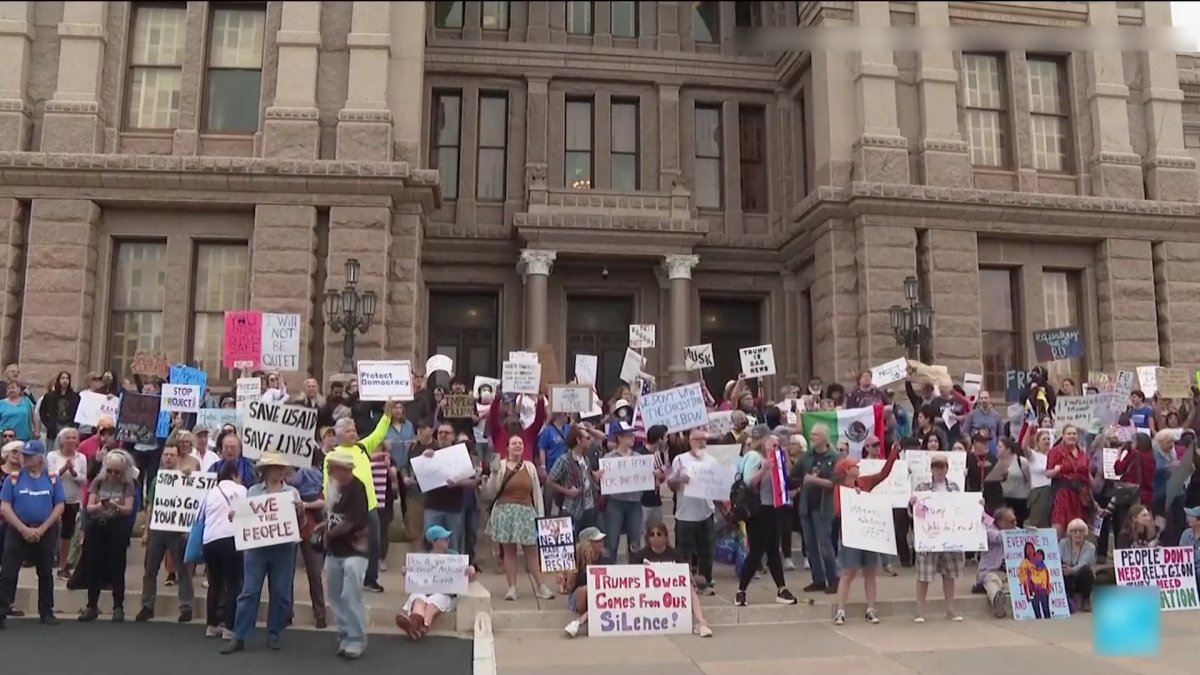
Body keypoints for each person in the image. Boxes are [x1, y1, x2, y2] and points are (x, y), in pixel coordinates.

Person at [223, 452, 304, 654]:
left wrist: (300, 510)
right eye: (273, 467)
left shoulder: (292, 493)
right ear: (265, 471)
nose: (277, 471)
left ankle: (274, 634)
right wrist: (236, 515)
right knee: (249, 592)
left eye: (280, 467)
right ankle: (239, 636)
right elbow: (245, 519)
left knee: (281, 594)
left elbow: (300, 525)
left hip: (284, 549)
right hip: (257, 549)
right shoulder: (253, 492)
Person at [325, 402, 394, 594]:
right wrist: (329, 506)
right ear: (339, 435)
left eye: (354, 430)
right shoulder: (333, 456)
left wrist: (387, 415)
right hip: (345, 509)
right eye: (348, 431)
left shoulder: (363, 447)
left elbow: (379, 433)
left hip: (369, 505)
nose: (354, 434)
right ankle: (343, 577)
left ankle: (370, 579)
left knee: (374, 542)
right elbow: (327, 482)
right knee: (345, 543)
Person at [830, 442, 900, 625]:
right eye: (855, 465)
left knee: (870, 572)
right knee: (848, 572)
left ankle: (871, 609)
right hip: (851, 535)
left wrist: (893, 454)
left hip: (868, 534)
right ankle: (840, 610)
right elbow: (838, 511)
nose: (858, 467)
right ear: (847, 470)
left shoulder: (865, 481)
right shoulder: (839, 489)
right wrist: (855, 496)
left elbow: (883, 474)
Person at [0, 440, 64, 628]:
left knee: (45, 571)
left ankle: (46, 611)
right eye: (23, 455)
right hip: (18, 530)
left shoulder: (52, 478)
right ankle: (2, 611)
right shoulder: (14, 478)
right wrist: (23, 528)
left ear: (39, 458)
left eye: (29, 456)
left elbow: (59, 505)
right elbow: (5, 506)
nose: (24, 458)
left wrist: (43, 528)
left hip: (45, 530)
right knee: (8, 572)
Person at [483, 435, 554, 601]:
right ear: (507, 448)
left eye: (520, 443)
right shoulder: (499, 466)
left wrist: (540, 516)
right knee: (509, 552)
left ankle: (541, 586)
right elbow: (490, 492)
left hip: (527, 512)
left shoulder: (530, 467)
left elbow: (536, 492)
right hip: (505, 512)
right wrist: (493, 474)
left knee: (532, 552)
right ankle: (512, 588)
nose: (517, 446)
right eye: (514, 443)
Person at [734, 432, 798, 607]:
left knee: (773, 552)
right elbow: (748, 482)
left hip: (774, 509)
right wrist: (764, 469)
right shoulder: (755, 457)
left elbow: (784, 484)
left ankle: (781, 589)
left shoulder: (778, 461)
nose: (776, 448)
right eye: (773, 445)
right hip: (758, 510)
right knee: (756, 552)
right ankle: (741, 591)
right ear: (764, 443)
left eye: (778, 446)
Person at [321, 449, 370, 658]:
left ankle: (356, 638)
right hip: (335, 550)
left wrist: (328, 535)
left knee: (350, 595)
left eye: (333, 468)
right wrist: (323, 526)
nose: (330, 471)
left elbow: (352, 520)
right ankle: (344, 634)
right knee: (335, 595)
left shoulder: (357, 488)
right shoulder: (334, 487)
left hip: (355, 549)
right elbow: (335, 516)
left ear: (344, 469)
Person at [137, 445, 194, 623]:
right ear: (162, 457)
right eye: (166, 455)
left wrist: (187, 529)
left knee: (183, 570)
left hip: (177, 531)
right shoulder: (156, 480)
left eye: (172, 455)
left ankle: (186, 607)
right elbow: (150, 506)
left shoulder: (185, 477)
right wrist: (146, 531)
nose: (169, 458)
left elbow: (191, 505)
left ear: (178, 457)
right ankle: (147, 605)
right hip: (157, 529)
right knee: (150, 570)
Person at [78, 450, 136, 622]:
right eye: (110, 471)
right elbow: (90, 506)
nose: (113, 475)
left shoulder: (128, 484)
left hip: (117, 526)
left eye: (117, 472)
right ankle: (92, 606)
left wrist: (115, 506)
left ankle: (118, 606)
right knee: (94, 566)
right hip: (97, 525)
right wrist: (101, 506)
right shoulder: (98, 481)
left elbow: (128, 509)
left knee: (118, 567)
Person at [629, 520, 713, 637]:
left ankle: (701, 622)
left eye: (659, 534)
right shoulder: (641, 555)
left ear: (665, 537)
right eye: (652, 534)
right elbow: (631, 576)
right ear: (648, 538)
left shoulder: (674, 554)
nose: (656, 537)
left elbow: (684, 570)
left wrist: (691, 580)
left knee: (690, 591)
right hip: (648, 594)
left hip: (671, 594)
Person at [394, 525, 477, 641]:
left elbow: (467, 577)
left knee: (433, 604)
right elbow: (413, 576)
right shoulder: (421, 557)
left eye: (447, 538)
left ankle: (416, 626)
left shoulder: (453, 555)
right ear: (433, 542)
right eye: (443, 539)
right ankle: (417, 626)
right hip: (423, 589)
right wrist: (406, 572)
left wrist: (471, 571)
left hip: (443, 592)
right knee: (418, 600)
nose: (447, 541)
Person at [910, 453, 965, 623]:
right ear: (931, 469)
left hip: (949, 536)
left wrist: (977, 505)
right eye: (936, 467)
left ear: (947, 468)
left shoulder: (954, 488)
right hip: (929, 537)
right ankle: (920, 611)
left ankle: (950, 610)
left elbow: (962, 510)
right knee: (924, 575)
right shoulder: (922, 488)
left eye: (942, 467)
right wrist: (912, 504)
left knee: (950, 575)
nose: (939, 470)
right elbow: (913, 515)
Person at [666, 427, 718, 595]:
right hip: (685, 513)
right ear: (690, 441)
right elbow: (671, 485)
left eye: (704, 439)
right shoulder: (680, 460)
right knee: (683, 551)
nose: (702, 442)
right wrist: (679, 479)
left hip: (706, 511)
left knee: (706, 550)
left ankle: (705, 582)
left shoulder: (712, 460)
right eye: (698, 439)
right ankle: (682, 583)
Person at [790, 423, 838, 593]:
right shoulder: (807, 457)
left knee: (825, 544)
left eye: (816, 435)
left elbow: (833, 483)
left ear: (825, 437)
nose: (812, 438)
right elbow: (794, 475)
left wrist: (812, 480)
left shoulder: (833, 457)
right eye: (811, 435)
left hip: (823, 507)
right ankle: (817, 579)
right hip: (806, 506)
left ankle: (833, 579)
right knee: (810, 545)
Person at [201, 462, 247, 640]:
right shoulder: (241, 490)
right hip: (230, 538)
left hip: (210, 540)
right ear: (234, 475)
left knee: (215, 583)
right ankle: (229, 626)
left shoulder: (210, 492)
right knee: (233, 583)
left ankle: (212, 624)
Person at [599, 422, 644, 561]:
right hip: (615, 502)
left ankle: (635, 575)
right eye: (628, 435)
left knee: (635, 542)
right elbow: (603, 481)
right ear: (620, 438)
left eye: (632, 435)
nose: (632, 438)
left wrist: (651, 475)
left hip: (635, 502)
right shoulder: (609, 458)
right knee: (611, 541)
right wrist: (600, 476)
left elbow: (644, 478)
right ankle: (610, 574)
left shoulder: (639, 458)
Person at [46, 428, 86, 579]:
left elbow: (83, 480)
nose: (71, 440)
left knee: (67, 534)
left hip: (72, 500)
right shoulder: (52, 456)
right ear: (61, 440)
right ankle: (46, 564)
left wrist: (74, 472)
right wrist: (64, 469)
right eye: (67, 437)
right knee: (50, 532)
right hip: (53, 500)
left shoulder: (81, 458)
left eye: (73, 437)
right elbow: (50, 476)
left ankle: (63, 567)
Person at [562, 526, 611, 638]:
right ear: (588, 543)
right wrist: (573, 573)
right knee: (587, 590)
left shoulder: (606, 558)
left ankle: (580, 621)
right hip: (578, 596)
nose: (601, 543)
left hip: (600, 596)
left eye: (601, 541)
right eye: (597, 541)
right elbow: (569, 588)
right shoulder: (577, 560)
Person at [1046, 424, 1092, 540]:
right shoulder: (1056, 451)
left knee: (1078, 527)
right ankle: (1054, 553)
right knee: (1059, 524)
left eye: (1074, 434)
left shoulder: (1082, 453)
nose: (1072, 436)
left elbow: (1087, 473)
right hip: (1062, 492)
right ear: (1063, 436)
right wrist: (1057, 469)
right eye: (1069, 434)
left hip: (1079, 494)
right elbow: (1048, 473)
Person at [975, 506, 1017, 618]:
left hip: (1008, 573)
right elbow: (999, 537)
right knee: (992, 583)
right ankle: (997, 601)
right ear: (1001, 523)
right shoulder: (989, 532)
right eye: (1012, 522)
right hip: (990, 572)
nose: (1015, 524)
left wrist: (1030, 532)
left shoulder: (1014, 531)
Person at [1059, 518, 1095, 613]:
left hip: (1080, 576)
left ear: (1085, 533)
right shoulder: (1063, 543)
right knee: (1062, 567)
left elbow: (1084, 562)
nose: (1077, 533)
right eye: (1074, 531)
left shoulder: (1090, 547)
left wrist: (1072, 570)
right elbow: (1058, 557)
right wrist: (1065, 568)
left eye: (1081, 531)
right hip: (1067, 575)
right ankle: (1068, 598)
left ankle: (1085, 599)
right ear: (1070, 533)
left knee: (1086, 571)